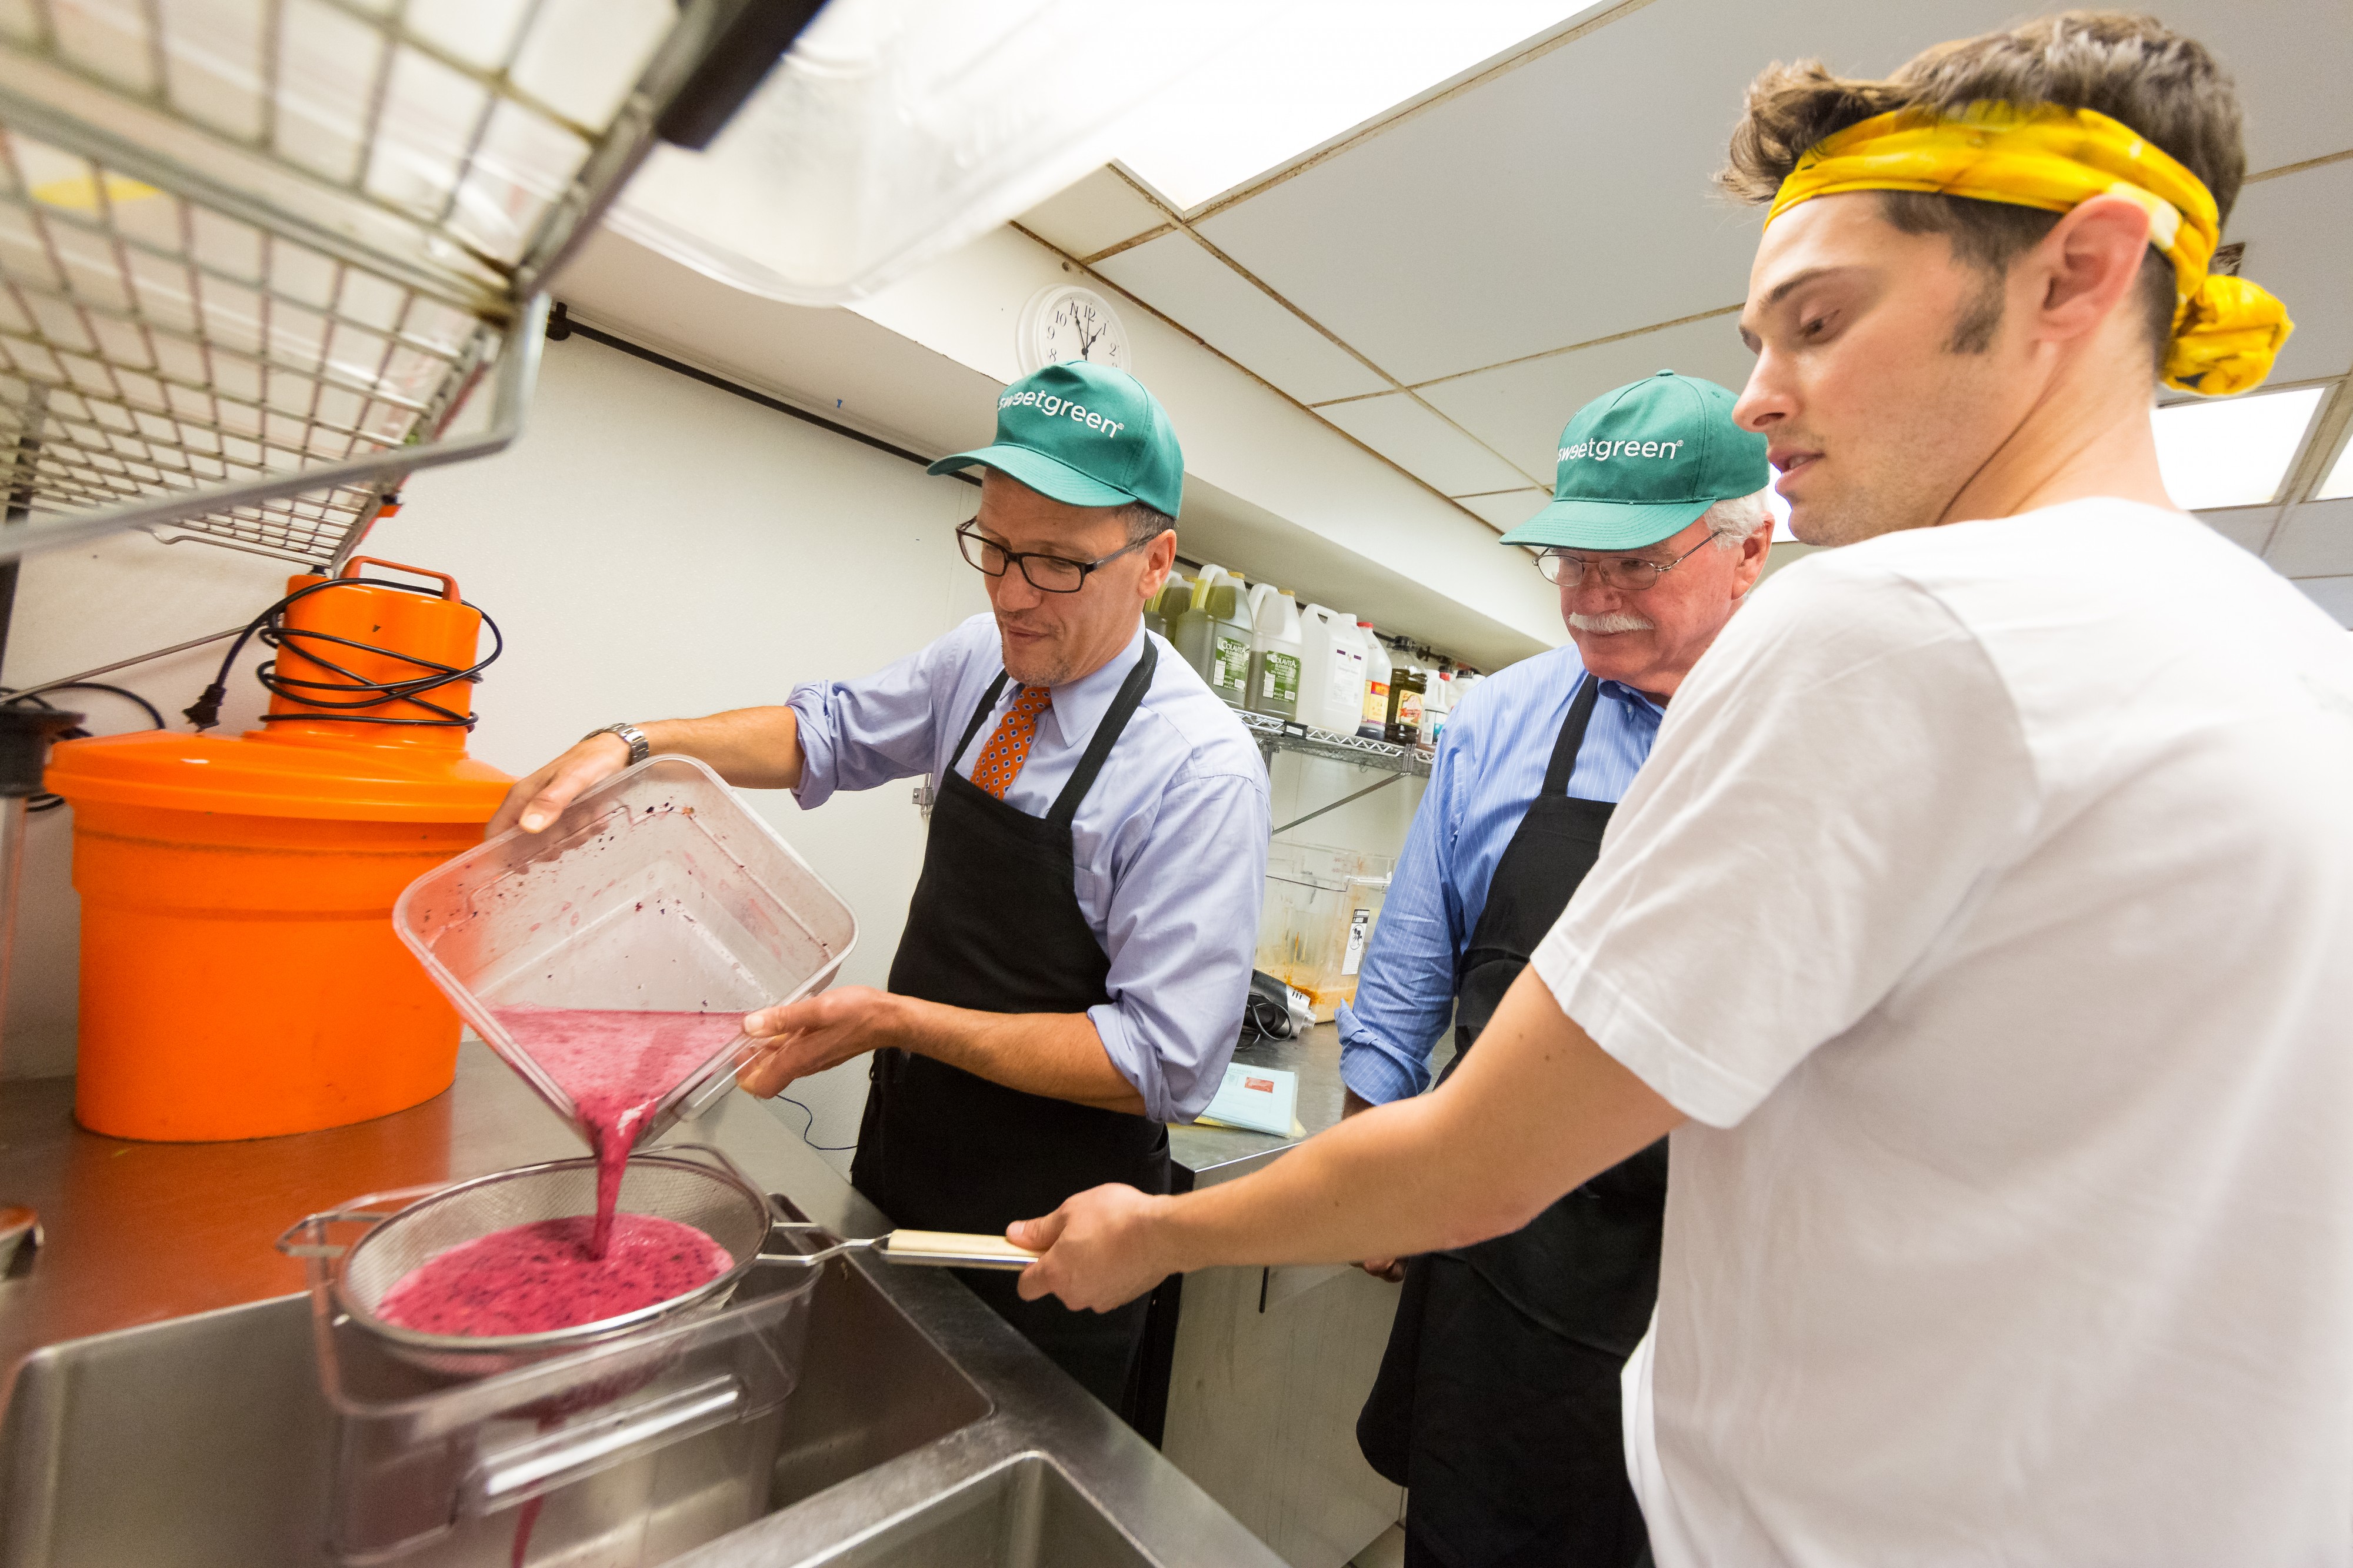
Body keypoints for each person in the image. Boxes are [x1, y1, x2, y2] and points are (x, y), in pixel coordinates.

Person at [1007, 14, 2353, 1563]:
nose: (1765, 399)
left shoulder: (1892, 631)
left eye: (1821, 321)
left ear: (2079, 272)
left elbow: (1475, 1162)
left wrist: (1159, 1232)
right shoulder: (2300, 672)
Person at [489, 359, 1270, 1420]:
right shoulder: (981, 663)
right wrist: (637, 745)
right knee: (864, 1415)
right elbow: (828, 731)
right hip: (903, 1154)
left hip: (1059, 1231)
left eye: (1053, 563)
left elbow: (1164, 1062)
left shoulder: (1199, 770)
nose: (1008, 593)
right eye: (992, 547)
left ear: (1155, 563)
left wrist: (894, 1019)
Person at [1339, 372, 1771, 1568]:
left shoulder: (1796, 745)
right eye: (1569, 561)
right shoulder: (1500, 721)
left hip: (1694, 1279)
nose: (1590, 598)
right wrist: (1373, 1132)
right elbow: (1415, 953)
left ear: (1749, 553)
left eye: (1632, 562)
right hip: (1491, 1257)